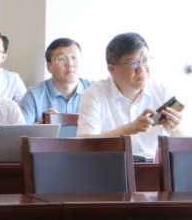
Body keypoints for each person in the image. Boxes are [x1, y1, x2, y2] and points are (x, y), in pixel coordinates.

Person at [78, 32, 184, 160]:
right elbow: (84, 144)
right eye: (133, 63)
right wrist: (128, 129)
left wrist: (176, 128)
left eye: (145, 60)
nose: (142, 69)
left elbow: (185, 146)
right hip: (111, 166)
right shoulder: (94, 94)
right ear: (112, 70)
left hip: (156, 168)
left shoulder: (163, 92)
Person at [19, 38, 93, 124]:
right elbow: (21, 130)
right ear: (49, 66)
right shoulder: (33, 96)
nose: (70, 64)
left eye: (74, 57)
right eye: (62, 59)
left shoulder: (94, 91)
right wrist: (40, 125)